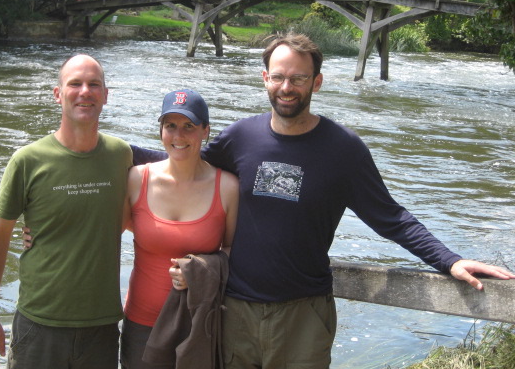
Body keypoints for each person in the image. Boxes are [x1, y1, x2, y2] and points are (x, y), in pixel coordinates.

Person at [133, 33, 515, 369]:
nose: (287, 86)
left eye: (298, 78)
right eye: (279, 76)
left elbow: (390, 217)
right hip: (236, 312)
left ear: (316, 83)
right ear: (265, 79)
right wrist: (111, 151)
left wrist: (449, 260)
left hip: (304, 313)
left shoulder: (343, 149)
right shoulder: (241, 137)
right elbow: (182, 158)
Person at [0, 54, 132, 368]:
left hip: (101, 326)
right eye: (75, 83)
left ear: (105, 95)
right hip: (39, 323)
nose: (85, 91)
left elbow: (130, 216)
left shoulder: (121, 156)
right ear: (58, 94)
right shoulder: (27, 161)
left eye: (94, 84)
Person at [120, 88, 239, 369]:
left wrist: (199, 272)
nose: (178, 136)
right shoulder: (137, 179)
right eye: (170, 126)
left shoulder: (227, 188)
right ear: (161, 130)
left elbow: (234, 250)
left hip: (199, 325)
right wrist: (42, 234)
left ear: (206, 131)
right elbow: (103, 228)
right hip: (141, 324)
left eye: (189, 127)